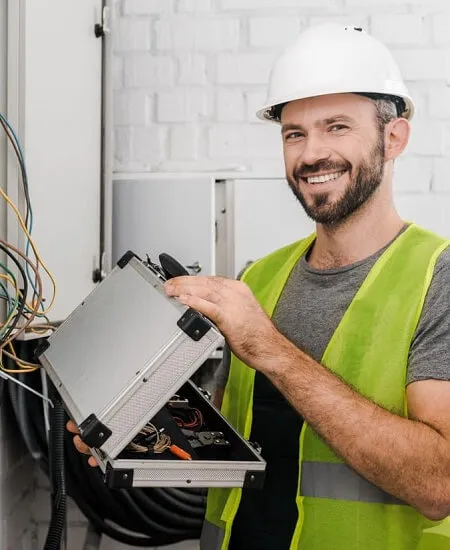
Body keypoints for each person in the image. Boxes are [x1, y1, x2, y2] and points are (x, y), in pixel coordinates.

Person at [69, 24, 450, 550]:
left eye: (337, 127)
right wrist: (136, 430)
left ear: (394, 138)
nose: (311, 153)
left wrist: (269, 348)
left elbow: (440, 483)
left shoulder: (438, 277)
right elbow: (232, 439)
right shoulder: (260, 277)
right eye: (294, 133)